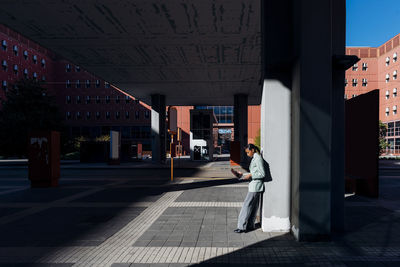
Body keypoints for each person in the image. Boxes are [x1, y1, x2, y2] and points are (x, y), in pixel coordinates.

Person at [231, 144, 265, 233]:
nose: (247, 154)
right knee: (253, 207)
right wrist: (242, 175)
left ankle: (241, 227)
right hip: (255, 186)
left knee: (246, 206)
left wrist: (250, 175)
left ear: (253, 150)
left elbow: (262, 174)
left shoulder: (257, 158)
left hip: (255, 186)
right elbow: (254, 173)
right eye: (246, 152)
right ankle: (250, 225)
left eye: (248, 152)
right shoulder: (255, 158)